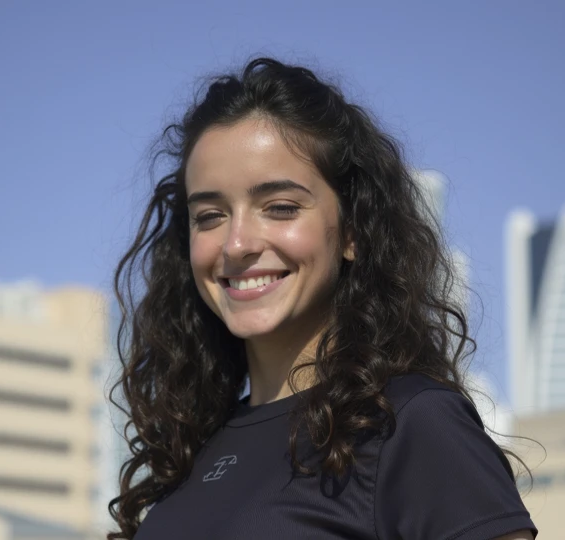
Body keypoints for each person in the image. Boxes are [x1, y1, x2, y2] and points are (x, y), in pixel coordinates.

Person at [108, 57, 537, 540]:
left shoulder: (411, 423)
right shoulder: (194, 449)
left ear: (353, 230)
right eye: (209, 216)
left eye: (280, 208)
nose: (236, 243)